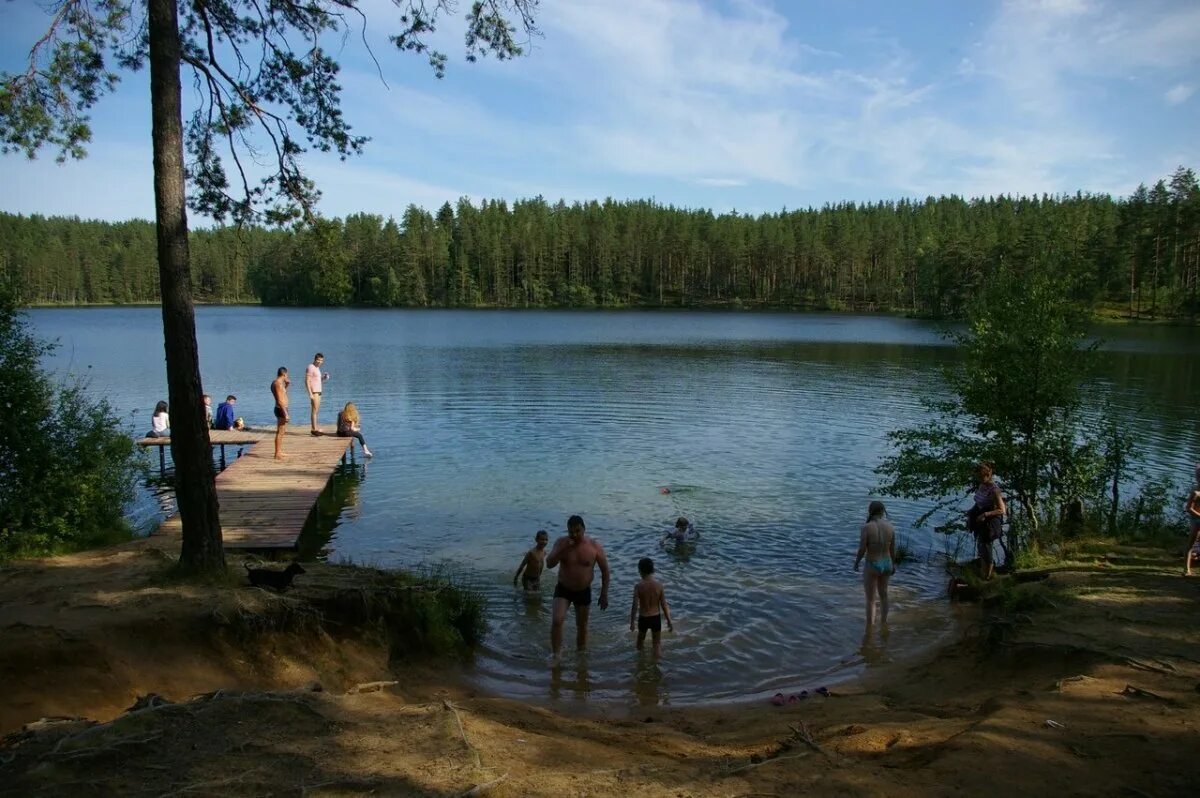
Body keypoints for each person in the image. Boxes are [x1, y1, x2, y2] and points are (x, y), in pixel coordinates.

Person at [546, 515, 610, 658]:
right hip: (563, 589)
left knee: (582, 626)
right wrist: (561, 549)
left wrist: (604, 594)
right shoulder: (561, 543)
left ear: (584, 529)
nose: (574, 535)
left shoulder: (594, 546)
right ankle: (556, 655)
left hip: (583, 591)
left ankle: (581, 655)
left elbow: (605, 571)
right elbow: (549, 564)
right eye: (571, 532)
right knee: (557, 620)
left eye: (577, 531)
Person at [854, 500, 895, 627]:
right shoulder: (890, 527)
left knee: (871, 600)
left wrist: (856, 563)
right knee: (884, 595)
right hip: (887, 563)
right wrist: (893, 565)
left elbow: (862, 549)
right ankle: (884, 623)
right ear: (883, 512)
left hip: (873, 563)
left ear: (869, 511)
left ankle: (870, 630)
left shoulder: (866, 527)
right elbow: (892, 549)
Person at [967, 462, 1006, 580]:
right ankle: (983, 573)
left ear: (988, 475)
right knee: (981, 547)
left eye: (981, 476)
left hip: (991, 522)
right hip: (980, 520)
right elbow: (979, 502)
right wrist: (971, 513)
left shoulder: (995, 490)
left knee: (987, 548)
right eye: (977, 476)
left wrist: (986, 514)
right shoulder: (982, 486)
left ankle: (988, 577)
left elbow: (1002, 510)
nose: (979, 478)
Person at [630, 557, 673, 657]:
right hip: (655, 618)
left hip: (643, 618)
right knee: (657, 644)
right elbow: (664, 605)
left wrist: (632, 622)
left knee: (640, 642)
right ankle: (656, 666)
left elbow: (635, 605)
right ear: (652, 570)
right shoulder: (659, 586)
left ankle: (640, 663)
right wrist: (669, 621)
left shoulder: (638, 586)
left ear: (640, 570)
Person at [306, 353, 329, 435]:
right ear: (315, 359)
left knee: (316, 411)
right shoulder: (310, 367)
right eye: (318, 360)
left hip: (319, 391)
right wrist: (310, 394)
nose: (320, 362)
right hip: (314, 392)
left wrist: (324, 378)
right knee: (314, 410)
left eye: (321, 360)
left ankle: (315, 428)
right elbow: (307, 381)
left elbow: (317, 380)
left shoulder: (317, 368)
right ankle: (314, 429)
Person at [271, 367, 290, 460]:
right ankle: (277, 453)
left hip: (282, 408)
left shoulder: (279, 383)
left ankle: (279, 451)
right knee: (280, 432)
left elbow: (283, 394)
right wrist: (285, 413)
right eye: (287, 374)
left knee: (282, 431)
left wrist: (287, 385)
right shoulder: (277, 384)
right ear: (284, 374)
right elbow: (279, 400)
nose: (287, 376)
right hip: (281, 409)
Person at [1185, 465, 1200, 577]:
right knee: (1191, 544)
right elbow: (1189, 508)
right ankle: (1187, 569)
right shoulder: (1196, 493)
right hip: (1196, 520)